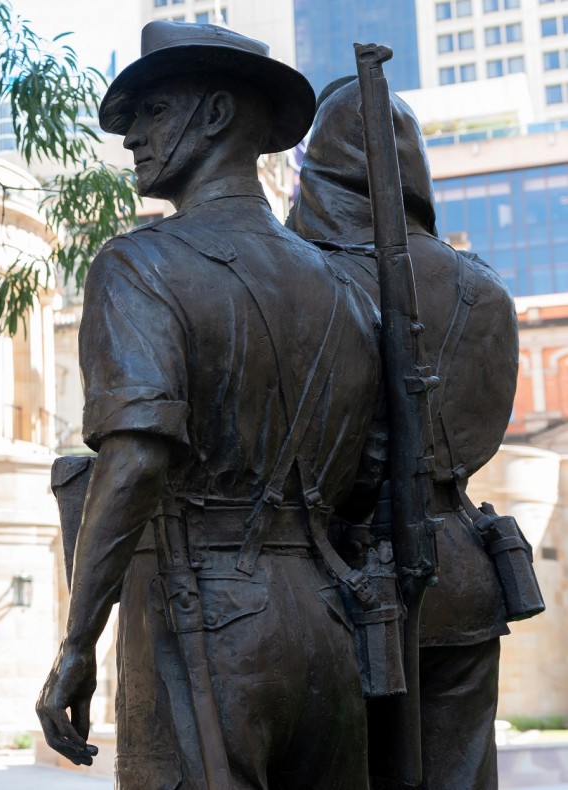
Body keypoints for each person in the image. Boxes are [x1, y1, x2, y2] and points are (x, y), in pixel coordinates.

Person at [36, 22, 384, 789]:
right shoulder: (352, 296)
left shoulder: (139, 264)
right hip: (333, 629)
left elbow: (133, 461)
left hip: (203, 620)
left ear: (219, 115)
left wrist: (76, 644)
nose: (132, 137)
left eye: (153, 110)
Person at [287, 79, 528, 790]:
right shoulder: (484, 289)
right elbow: (480, 431)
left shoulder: (303, 277)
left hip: (337, 571)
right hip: (460, 564)